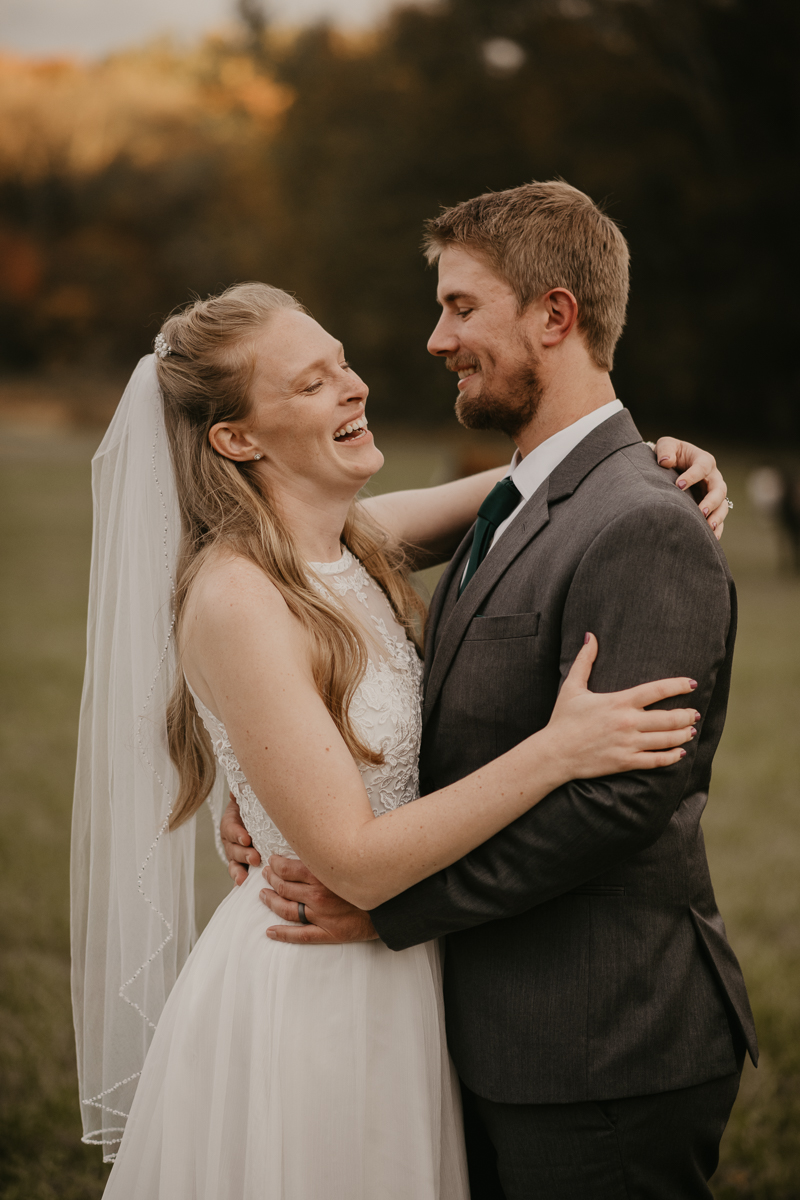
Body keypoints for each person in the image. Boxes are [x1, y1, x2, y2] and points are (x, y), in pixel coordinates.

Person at [70, 267, 726, 1198]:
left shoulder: (348, 542)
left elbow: (544, 479)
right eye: (310, 382)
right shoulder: (237, 597)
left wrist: (661, 459)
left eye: (341, 364)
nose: (355, 385)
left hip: (408, 978)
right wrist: (559, 750)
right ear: (236, 437)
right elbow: (359, 864)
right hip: (316, 988)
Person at [224, 182, 756, 1200]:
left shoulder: (640, 523)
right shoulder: (514, 499)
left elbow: (618, 798)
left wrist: (386, 905)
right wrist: (270, 799)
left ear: (553, 316)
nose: (435, 339)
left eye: (461, 308)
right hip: (488, 1033)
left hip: (601, 1049)